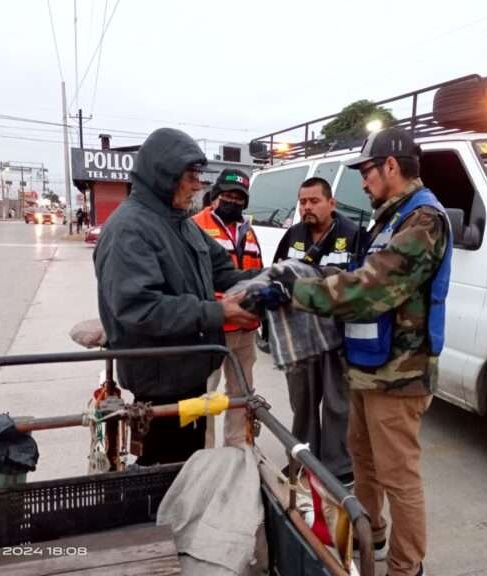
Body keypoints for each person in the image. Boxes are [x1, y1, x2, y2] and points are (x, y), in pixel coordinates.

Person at [264, 128, 452, 576]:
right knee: (362, 461)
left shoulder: (424, 220)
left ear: (391, 166)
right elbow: (360, 272)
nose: (363, 182)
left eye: (367, 171)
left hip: (399, 373)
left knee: (398, 474)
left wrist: (300, 291)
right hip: (369, 367)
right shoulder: (390, 218)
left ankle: (406, 567)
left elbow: (371, 289)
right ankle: (372, 535)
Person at [93, 128, 260, 465]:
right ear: (164, 175)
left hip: (190, 376)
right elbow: (140, 308)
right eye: (191, 176)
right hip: (160, 385)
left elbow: (224, 272)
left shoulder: (181, 224)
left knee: (189, 470)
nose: (198, 185)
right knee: (165, 477)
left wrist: (272, 280)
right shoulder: (130, 229)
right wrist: (217, 312)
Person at [273, 177, 368, 484]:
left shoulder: (353, 235)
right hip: (299, 337)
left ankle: (338, 469)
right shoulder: (292, 236)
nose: (307, 207)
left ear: (332, 203)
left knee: (338, 404)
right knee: (302, 403)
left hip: (336, 336)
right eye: (302, 202)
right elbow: (275, 275)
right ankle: (303, 460)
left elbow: (361, 286)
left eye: (314, 201)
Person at [192, 169, 263, 448]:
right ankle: (204, 453)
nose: (232, 201)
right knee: (205, 396)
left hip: (245, 330)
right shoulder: (196, 226)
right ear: (215, 197)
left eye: (238, 197)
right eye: (227, 195)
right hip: (212, 329)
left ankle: (237, 447)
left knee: (241, 392)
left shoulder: (247, 231)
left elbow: (255, 272)